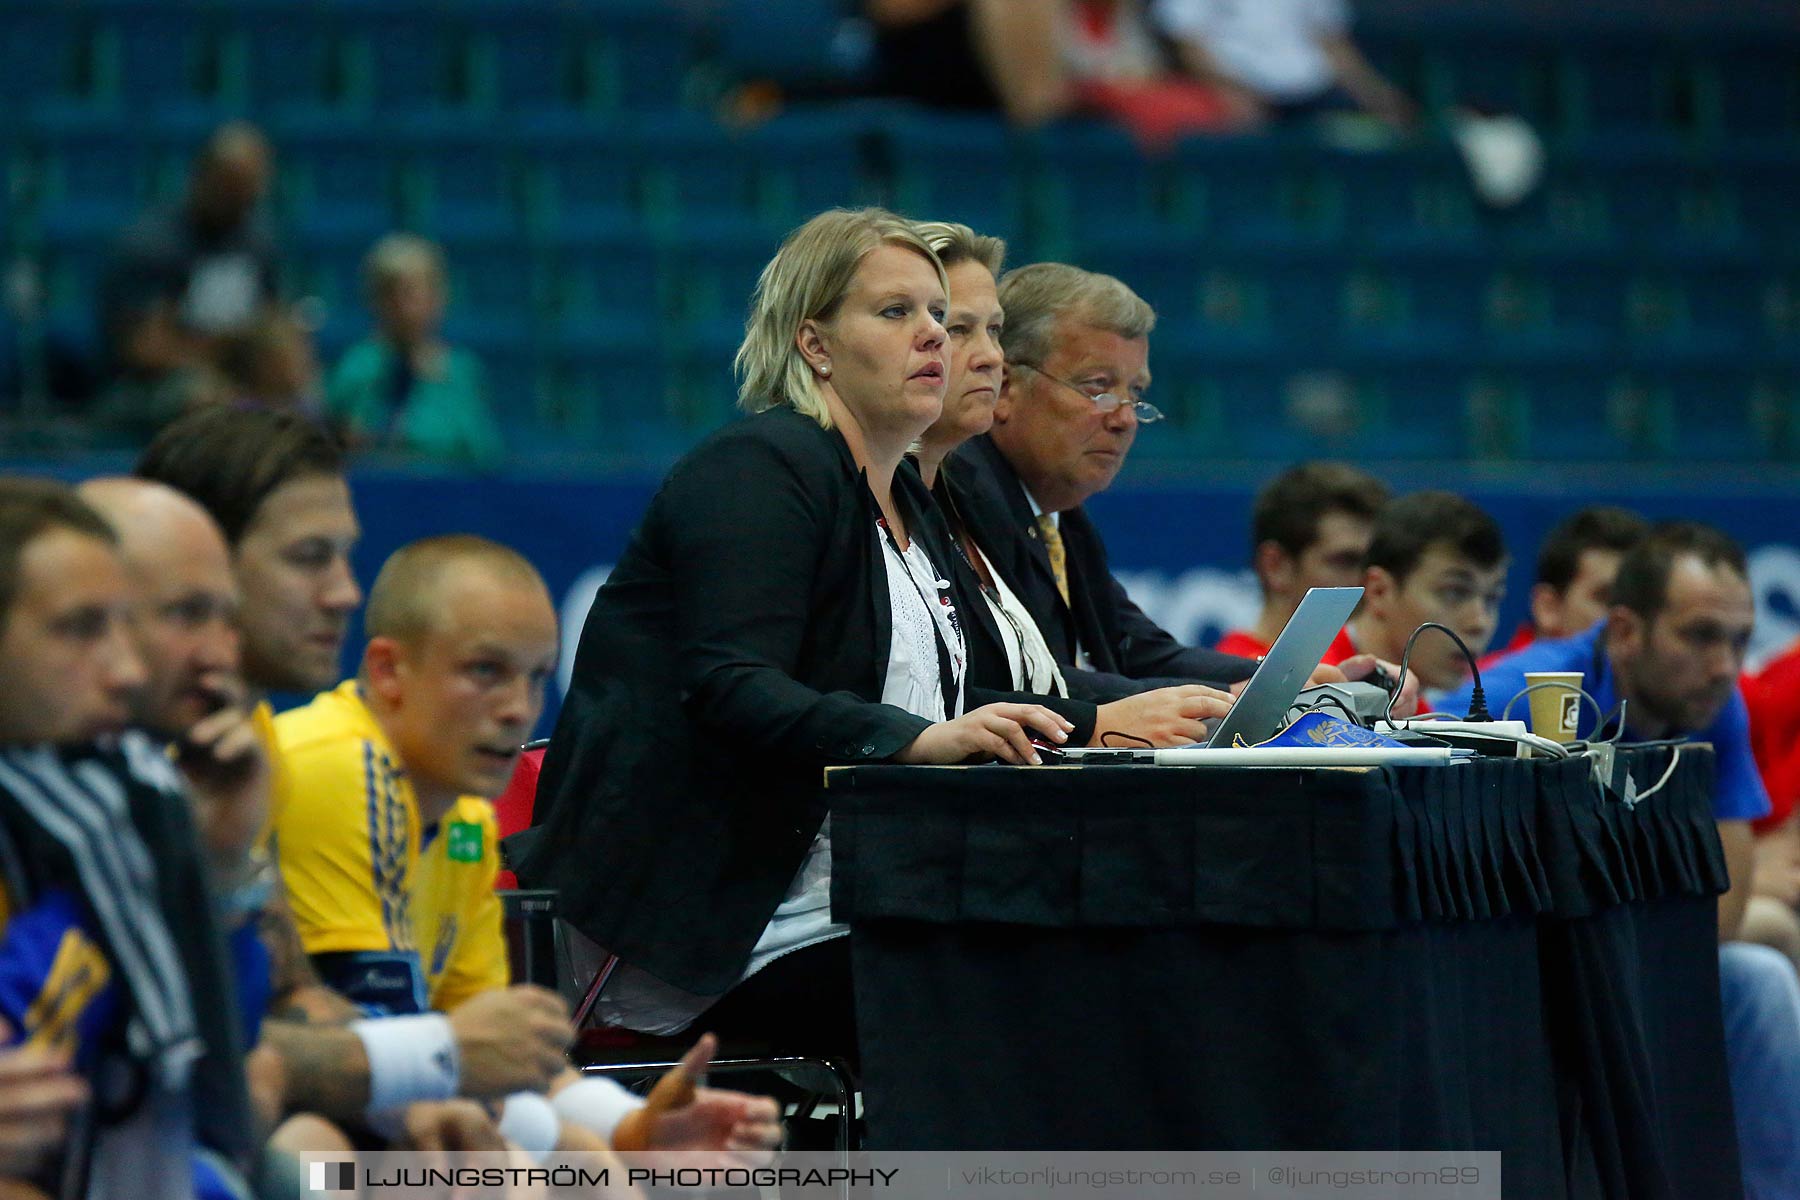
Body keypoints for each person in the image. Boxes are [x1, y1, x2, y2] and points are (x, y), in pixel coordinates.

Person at [510, 209, 1073, 1065]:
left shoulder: (908, 500)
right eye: (896, 314)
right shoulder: (760, 469)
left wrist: (1105, 726)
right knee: (1014, 991)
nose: (934, 336)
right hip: (718, 929)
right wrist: (913, 742)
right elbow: (732, 682)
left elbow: (966, 700)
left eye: (936, 315)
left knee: (1090, 947)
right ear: (815, 345)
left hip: (862, 898)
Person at [276, 535, 783, 1161]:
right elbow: (384, 1059)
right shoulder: (340, 769)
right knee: (431, 1164)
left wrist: (635, 1127)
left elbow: (489, 1050)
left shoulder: (463, 819)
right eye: (484, 671)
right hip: (263, 1113)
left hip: (368, 1097)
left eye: (537, 676)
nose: (518, 709)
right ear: (388, 671)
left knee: (585, 1158)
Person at [74, 478, 514, 1155]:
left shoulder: (223, 753)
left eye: (225, 618)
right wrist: (430, 1068)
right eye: (189, 613)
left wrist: (616, 1130)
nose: (343, 591)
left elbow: (255, 1031)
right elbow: (202, 1061)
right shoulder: (339, 760)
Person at [1440, 521, 1799, 1200]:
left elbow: (1724, 903)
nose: (1726, 664)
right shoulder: (1521, 693)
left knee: (1757, 978)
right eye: (1700, 636)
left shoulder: (1709, 701)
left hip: (1633, 958)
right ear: (1628, 630)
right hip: (1517, 972)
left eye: (1739, 640)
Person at [0, 477, 256, 1200]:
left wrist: (223, 865)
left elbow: (229, 1069)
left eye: (123, 625)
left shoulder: (123, 798)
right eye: (81, 629)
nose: (127, 670)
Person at [913, 220, 1235, 747]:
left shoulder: (1060, 513)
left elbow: (1134, 644)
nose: (1125, 418)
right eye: (1098, 387)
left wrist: (1264, 681)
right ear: (1008, 388)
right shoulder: (964, 492)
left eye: (1136, 393)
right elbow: (1009, 680)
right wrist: (1203, 696)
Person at [95, 124, 281, 439]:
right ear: (204, 178)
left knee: (299, 401)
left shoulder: (256, 241)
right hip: (147, 387)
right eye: (234, 187)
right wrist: (223, 351)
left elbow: (269, 321)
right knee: (205, 399)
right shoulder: (152, 245)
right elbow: (146, 350)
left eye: (252, 188)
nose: (246, 198)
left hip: (234, 374)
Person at [324, 234, 504, 467]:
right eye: (389, 293)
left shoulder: (461, 371)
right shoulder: (355, 368)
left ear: (438, 297)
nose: (402, 305)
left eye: (411, 292)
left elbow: (484, 456)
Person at [1321, 490, 1507, 694]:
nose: (1479, 623)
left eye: (1491, 598)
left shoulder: (1420, 710)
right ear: (1379, 591)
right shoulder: (1306, 693)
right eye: (1455, 593)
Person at [1216, 462, 1389, 659]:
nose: (1370, 581)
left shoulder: (1376, 666)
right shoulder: (1237, 682)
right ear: (1275, 566)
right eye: (1345, 561)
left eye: (1372, 562)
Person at [1151, 0, 1417, 128]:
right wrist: (1229, 91)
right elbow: (1188, 44)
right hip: (1236, 87)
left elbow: (1332, 42)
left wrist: (1376, 95)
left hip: (1312, 90)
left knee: (1371, 137)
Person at [1481, 505, 1649, 665]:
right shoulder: (1477, 689)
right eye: (1608, 599)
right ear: (1548, 608)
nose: (1627, 621)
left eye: (1641, 603)